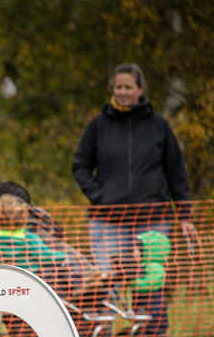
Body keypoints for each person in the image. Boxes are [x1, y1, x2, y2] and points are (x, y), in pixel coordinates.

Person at [72, 62, 198, 276]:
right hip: (108, 222)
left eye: (128, 87)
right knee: (109, 285)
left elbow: (176, 172)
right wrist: (99, 195)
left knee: (149, 284)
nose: (122, 92)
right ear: (112, 88)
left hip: (152, 221)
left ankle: (148, 312)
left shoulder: (159, 125)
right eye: (118, 87)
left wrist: (185, 213)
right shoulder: (98, 125)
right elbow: (80, 165)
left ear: (140, 89)